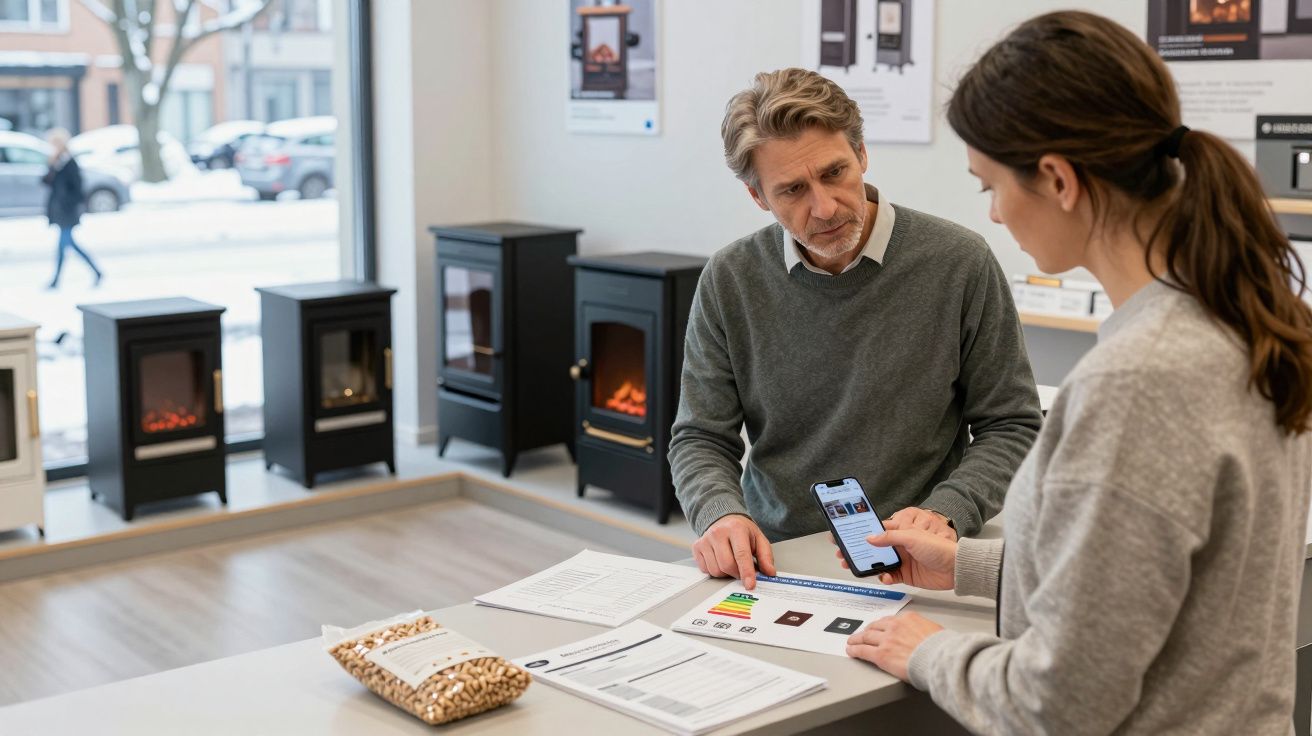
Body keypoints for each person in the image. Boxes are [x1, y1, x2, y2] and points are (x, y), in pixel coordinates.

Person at [841, 11, 1312, 735]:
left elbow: (1060, 700)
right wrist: (967, 566)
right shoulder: (1242, 319)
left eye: (989, 187)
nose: (995, 216)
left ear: (1059, 179)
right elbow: (1151, 585)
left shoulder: (1139, 382)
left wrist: (930, 652)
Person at [671, 68, 1042, 589]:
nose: (824, 207)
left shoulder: (959, 262)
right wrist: (720, 514)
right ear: (759, 197)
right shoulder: (730, 277)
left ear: (862, 154)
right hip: (777, 557)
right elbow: (700, 436)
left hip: (919, 557)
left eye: (835, 173)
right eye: (792, 190)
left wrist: (947, 509)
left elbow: (1012, 423)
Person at [43, 128, 102, 289]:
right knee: (68, 245)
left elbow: (78, 190)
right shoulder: (57, 163)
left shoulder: (70, 164)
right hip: (59, 211)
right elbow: (46, 182)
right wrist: (52, 166)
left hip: (68, 212)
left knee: (64, 245)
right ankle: (96, 272)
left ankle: (56, 280)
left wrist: (66, 203)